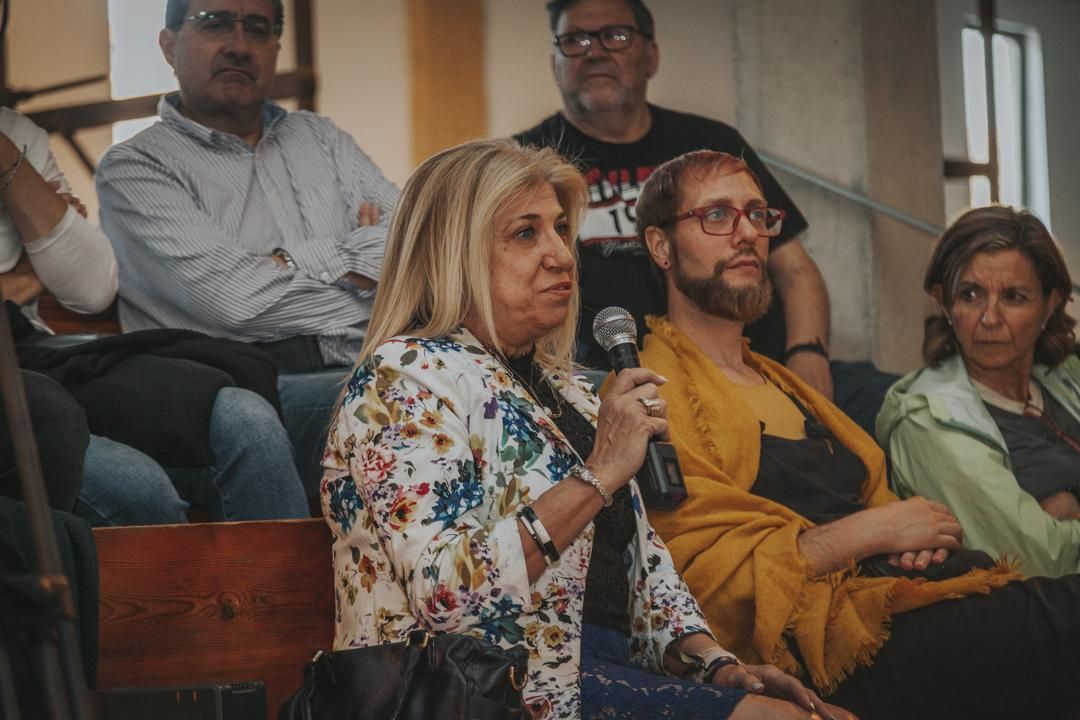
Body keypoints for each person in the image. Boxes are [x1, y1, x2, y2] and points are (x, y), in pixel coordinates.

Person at [321, 140, 853, 720]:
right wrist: (599, 472)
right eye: (526, 233)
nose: (561, 254)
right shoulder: (405, 378)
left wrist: (718, 665)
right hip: (481, 689)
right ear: (456, 252)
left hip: (592, 671)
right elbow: (447, 596)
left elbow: (644, 569)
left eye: (559, 229)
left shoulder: (569, 388)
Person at [628, 149, 1080, 719]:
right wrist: (874, 531)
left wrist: (908, 542)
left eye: (758, 215)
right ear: (661, 246)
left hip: (905, 600)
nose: (747, 234)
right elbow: (701, 580)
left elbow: (888, 509)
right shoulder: (650, 395)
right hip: (825, 649)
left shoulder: (785, 383)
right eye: (717, 216)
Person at [514, 0, 896, 436]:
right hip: (625, 380)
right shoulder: (527, 165)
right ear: (555, 63)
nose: (595, 51)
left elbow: (795, 269)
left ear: (651, 56)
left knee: (906, 404)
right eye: (575, 39)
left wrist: (808, 353)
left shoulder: (712, 144)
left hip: (759, 362)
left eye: (616, 36)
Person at [96, 0, 399, 495]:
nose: (238, 45)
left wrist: (286, 262)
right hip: (241, 388)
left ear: (275, 48)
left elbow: (419, 250)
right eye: (214, 23)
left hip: (363, 362)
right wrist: (358, 263)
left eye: (257, 29)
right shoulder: (136, 167)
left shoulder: (320, 139)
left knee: (475, 382)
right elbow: (233, 304)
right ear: (169, 46)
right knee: (402, 399)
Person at [2, 106, 307, 526]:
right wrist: (30, 273)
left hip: (38, 357)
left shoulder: (15, 132)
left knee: (247, 419)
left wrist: (7, 157)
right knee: (139, 488)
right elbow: (229, 298)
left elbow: (90, 289)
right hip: (22, 383)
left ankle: (275, 594)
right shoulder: (138, 164)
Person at [877, 206, 1080, 578]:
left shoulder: (1063, 377)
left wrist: (1069, 507)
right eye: (970, 294)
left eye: (1014, 297)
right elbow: (1034, 559)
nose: (990, 318)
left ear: (1049, 305)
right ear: (945, 304)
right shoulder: (928, 419)